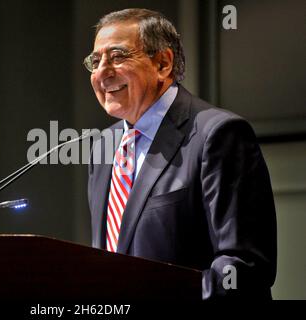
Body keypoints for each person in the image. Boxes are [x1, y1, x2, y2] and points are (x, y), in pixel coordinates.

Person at [85, 8, 277, 299]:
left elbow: (245, 267)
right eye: (95, 61)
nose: (102, 72)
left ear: (163, 63)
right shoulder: (103, 145)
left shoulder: (219, 134)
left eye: (118, 56)